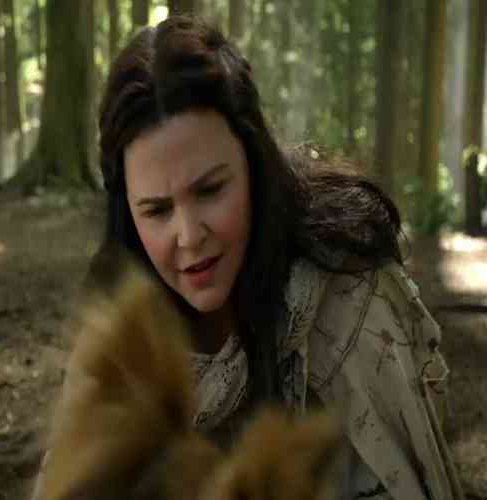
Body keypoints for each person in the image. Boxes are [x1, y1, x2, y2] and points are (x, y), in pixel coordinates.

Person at [36, 14, 465, 500]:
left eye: (210, 190)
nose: (189, 236)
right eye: (157, 210)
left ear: (253, 165)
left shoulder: (345, 298)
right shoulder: (121, 339)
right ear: (129, 215)